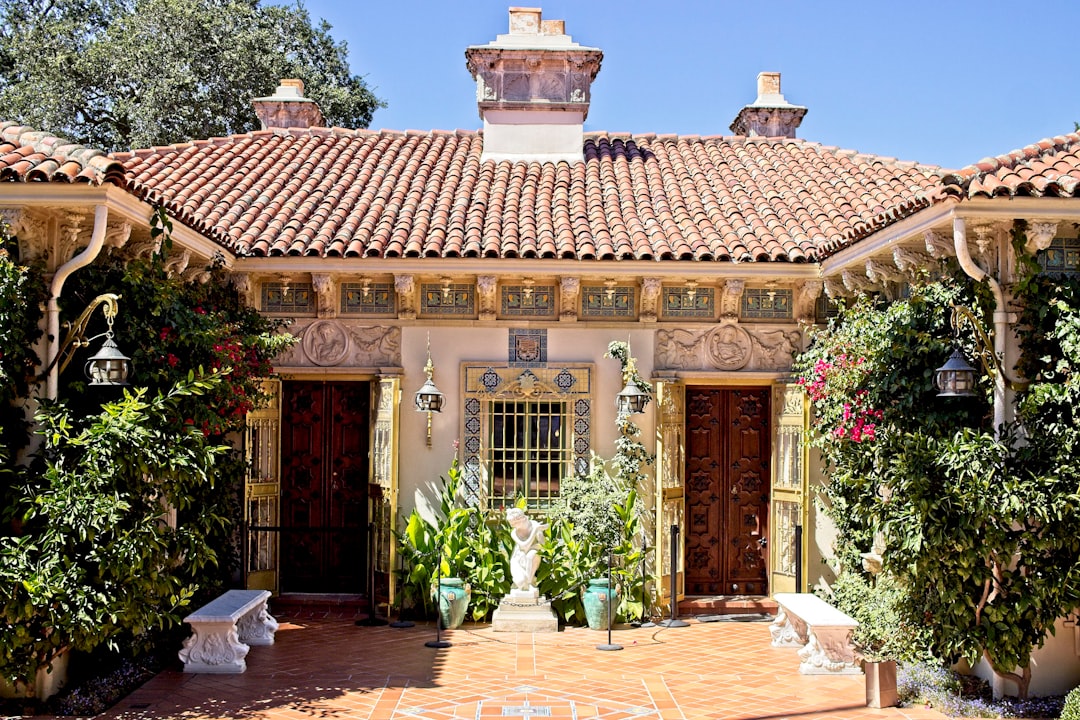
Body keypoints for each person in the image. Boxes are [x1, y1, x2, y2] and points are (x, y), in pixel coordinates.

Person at [506, 508, 546, 593]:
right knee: (520, 582)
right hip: (518, 559)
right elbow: (524, 546)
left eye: (514, 523)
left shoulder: (534, 524)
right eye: (511, 524)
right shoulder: (514, 532)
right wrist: (535, 530)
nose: (512, 526)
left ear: (523, 519)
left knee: (532, 554)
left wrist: (535, 544)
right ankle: (524, 582)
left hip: (532, 555)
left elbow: (543, 544)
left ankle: (530, 582)